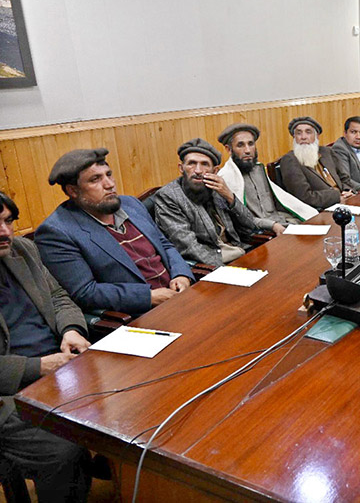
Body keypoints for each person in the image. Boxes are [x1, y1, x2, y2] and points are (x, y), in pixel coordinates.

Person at [0, 192, 93, 502]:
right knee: (62, 448)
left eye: (8, 221)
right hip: (10, 391)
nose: (5, 232)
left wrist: (71, 330)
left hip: (60, 365)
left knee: (123, 406)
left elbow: (58, 297)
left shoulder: (23, 250)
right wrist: (37, 367)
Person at [36, 148, 194, 316]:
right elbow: (85, 292)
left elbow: (164, 245)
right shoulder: (57, 232)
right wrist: (148, 297)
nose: (109, 184)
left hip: (180, 298)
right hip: (137, 316)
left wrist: (181, 274)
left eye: (109, 174)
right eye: (95, 179)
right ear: (73, 191)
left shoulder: (130, 204)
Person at [154, 138, 257, 267]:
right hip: (213, 263)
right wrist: (226, 270)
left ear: (215, 171)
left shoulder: (216, 187)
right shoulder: (168, 196)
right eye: (191, 163)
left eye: (204, 164)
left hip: (240, 252)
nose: (198, 171)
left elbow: (249, 225)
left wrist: (229, 196)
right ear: (181, 168)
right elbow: (189, 247)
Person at [216, 123, 303, 235]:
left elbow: (279, 203)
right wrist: (273, 225)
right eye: (240, 145)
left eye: (250, 144)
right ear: (229, 149)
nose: (247, 150)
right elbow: (241, 220)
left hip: (283, 223)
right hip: (262, 232)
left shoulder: (258, 168)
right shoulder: (225, 178)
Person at [279, 116, 354, 209]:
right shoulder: (290, 160)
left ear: (316, 135)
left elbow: (343, 178)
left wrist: (347, 191)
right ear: (294, 137)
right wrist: (336, 197)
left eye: (308, 132)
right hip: (322, 209)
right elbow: (304, 196)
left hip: (344, 202)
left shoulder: (326, 152)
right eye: (299, 133)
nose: (303, 137)